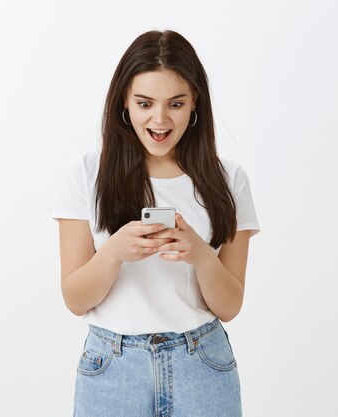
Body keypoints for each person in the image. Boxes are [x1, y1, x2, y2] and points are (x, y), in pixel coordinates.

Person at [50, 29, 260, 417]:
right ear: (124, 104)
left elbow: (230, 306)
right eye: (145, 103)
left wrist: (201, 256)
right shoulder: (86, 173)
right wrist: (113, 253)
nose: (160, 119)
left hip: (203, 365)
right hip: (112, 368)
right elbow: (75, 299)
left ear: (195, 101)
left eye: (176, 104)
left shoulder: (228, 180)